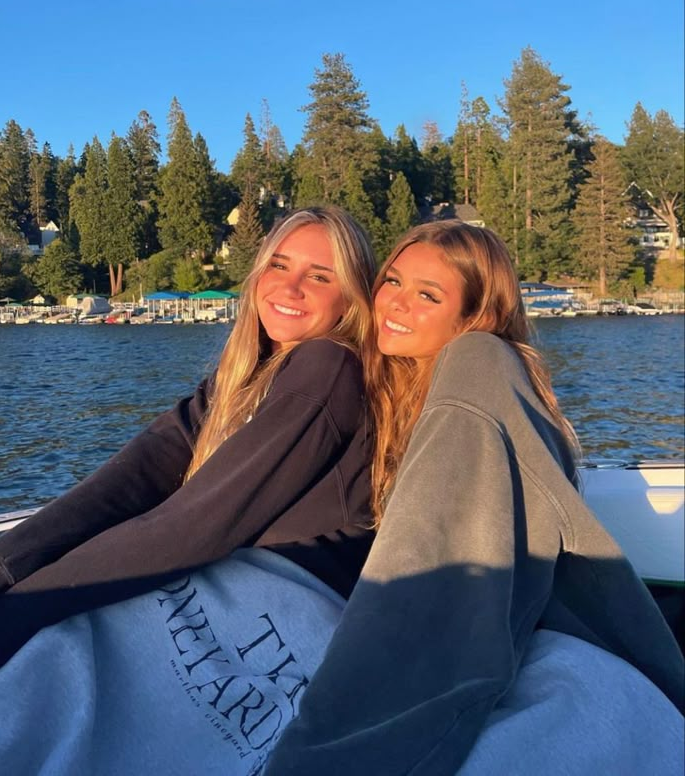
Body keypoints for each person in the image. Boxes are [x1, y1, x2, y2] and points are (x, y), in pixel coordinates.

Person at [0, 205, 378, 775]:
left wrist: (16, 609)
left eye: (321, 276)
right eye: (279, 264)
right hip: (211, 600)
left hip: (266, 623)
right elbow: (132, 479)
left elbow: (193, 525)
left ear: (351, 299)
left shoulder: (326, 369)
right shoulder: (242, 379)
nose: (290, 287)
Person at [265, 220, 684, 776]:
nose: (396, 304)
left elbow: (438, 582)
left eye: (428, 295)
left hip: (543, 645)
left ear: (475, 318)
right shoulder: (391, 390)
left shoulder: (480, 362)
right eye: (392, 281)